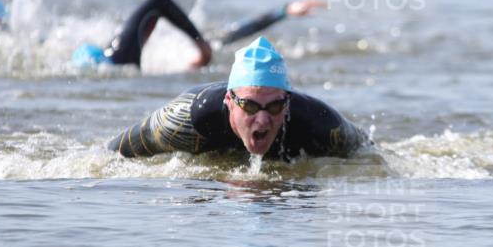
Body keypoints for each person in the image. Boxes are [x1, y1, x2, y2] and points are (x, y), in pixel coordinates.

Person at [108, 36, 367, 161]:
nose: (263, 118)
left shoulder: (320, 124)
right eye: (251, 105)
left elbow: (370, 155)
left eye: (275, 106)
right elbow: (111, 156)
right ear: (229, 101)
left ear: (287, 104)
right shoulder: (185, 118)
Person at [70, 0, 324, 70]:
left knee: (218, 41)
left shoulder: (173, 50)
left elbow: (159, 1)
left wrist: (284, 10)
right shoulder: (120, 60)